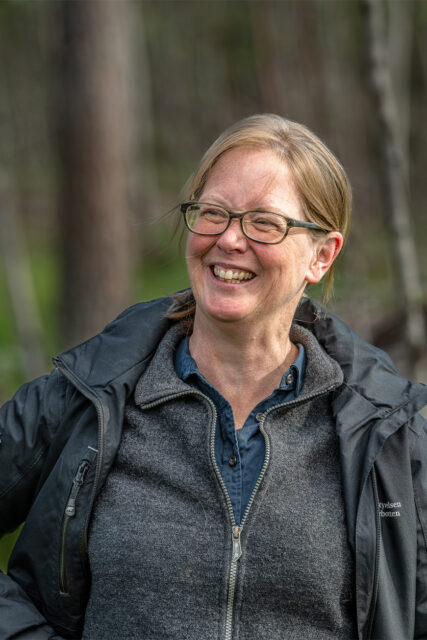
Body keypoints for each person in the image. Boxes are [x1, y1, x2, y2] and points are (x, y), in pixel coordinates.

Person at [0, 114, 426, 640]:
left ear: (322, 255)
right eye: (213, 213)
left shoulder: (388, 436)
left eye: (264, 223)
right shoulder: (88, 398)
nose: (229, 239)